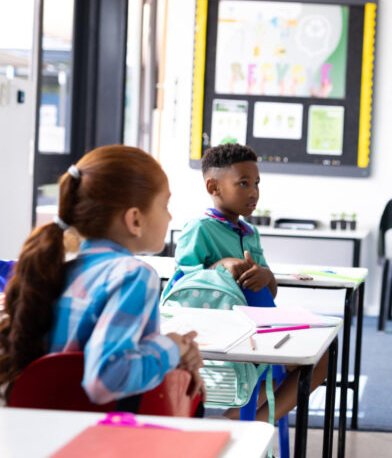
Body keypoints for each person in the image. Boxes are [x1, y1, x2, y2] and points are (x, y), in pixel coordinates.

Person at [0, 145, 204, 406]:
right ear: (135, 220)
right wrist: (171, 347)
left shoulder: (58, 269)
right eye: (165, 205)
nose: (170, 215)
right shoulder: (134, 276)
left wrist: (173, 353)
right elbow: (106, 379)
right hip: (96, 435)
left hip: (41, 432)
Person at [172, 143, 327, 421]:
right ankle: (250, 421)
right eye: (243, 183)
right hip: (227, 332)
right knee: (304, 361)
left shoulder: (249, 232)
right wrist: (221, 265)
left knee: (323, 358)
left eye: (256, 183)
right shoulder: (199, 228)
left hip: (262, 326)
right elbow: (183, 284)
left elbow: (270, 290)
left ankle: (252, 420)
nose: (253, 191)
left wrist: (267, 275)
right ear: (213, 187)